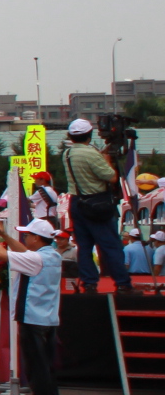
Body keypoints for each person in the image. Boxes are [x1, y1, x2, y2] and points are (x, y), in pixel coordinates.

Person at [0, 215, 71, 395]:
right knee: (46, 365)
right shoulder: (52, 255)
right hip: (47, 317)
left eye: (27, 235)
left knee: (36, 366)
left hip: (32, 317)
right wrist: (4, 235)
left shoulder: (36, 259)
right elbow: (23, 253)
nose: (25, 238)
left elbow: (3, 255)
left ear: (36, 238)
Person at [56, 119, 131, 297]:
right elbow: (111, 177)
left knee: (84, 247)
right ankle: (122, 283)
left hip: (77, 202)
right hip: (97, 202)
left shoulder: (67, 153)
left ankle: (89, 283)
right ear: (89, 135)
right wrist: (107, 159)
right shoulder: (91, 153)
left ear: (71, 136)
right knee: (111, 246)